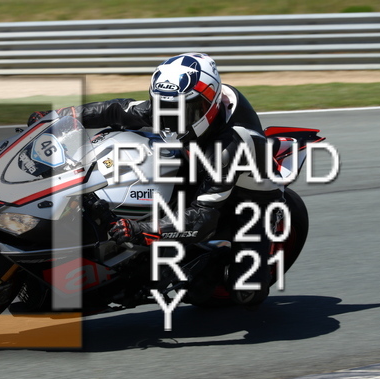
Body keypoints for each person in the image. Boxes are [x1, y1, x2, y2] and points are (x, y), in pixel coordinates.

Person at [27, 53, 283, 305]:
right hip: (197, 162)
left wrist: (139, 230)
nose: (171, 118)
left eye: (182, 111)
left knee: (244, 291)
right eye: (163, 108)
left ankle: (229, 253)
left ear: (209, 106)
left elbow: (203, 218)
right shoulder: (180, 100)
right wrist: (62, 116)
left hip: (250, 197)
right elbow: (116, 110)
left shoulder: (230, 145)